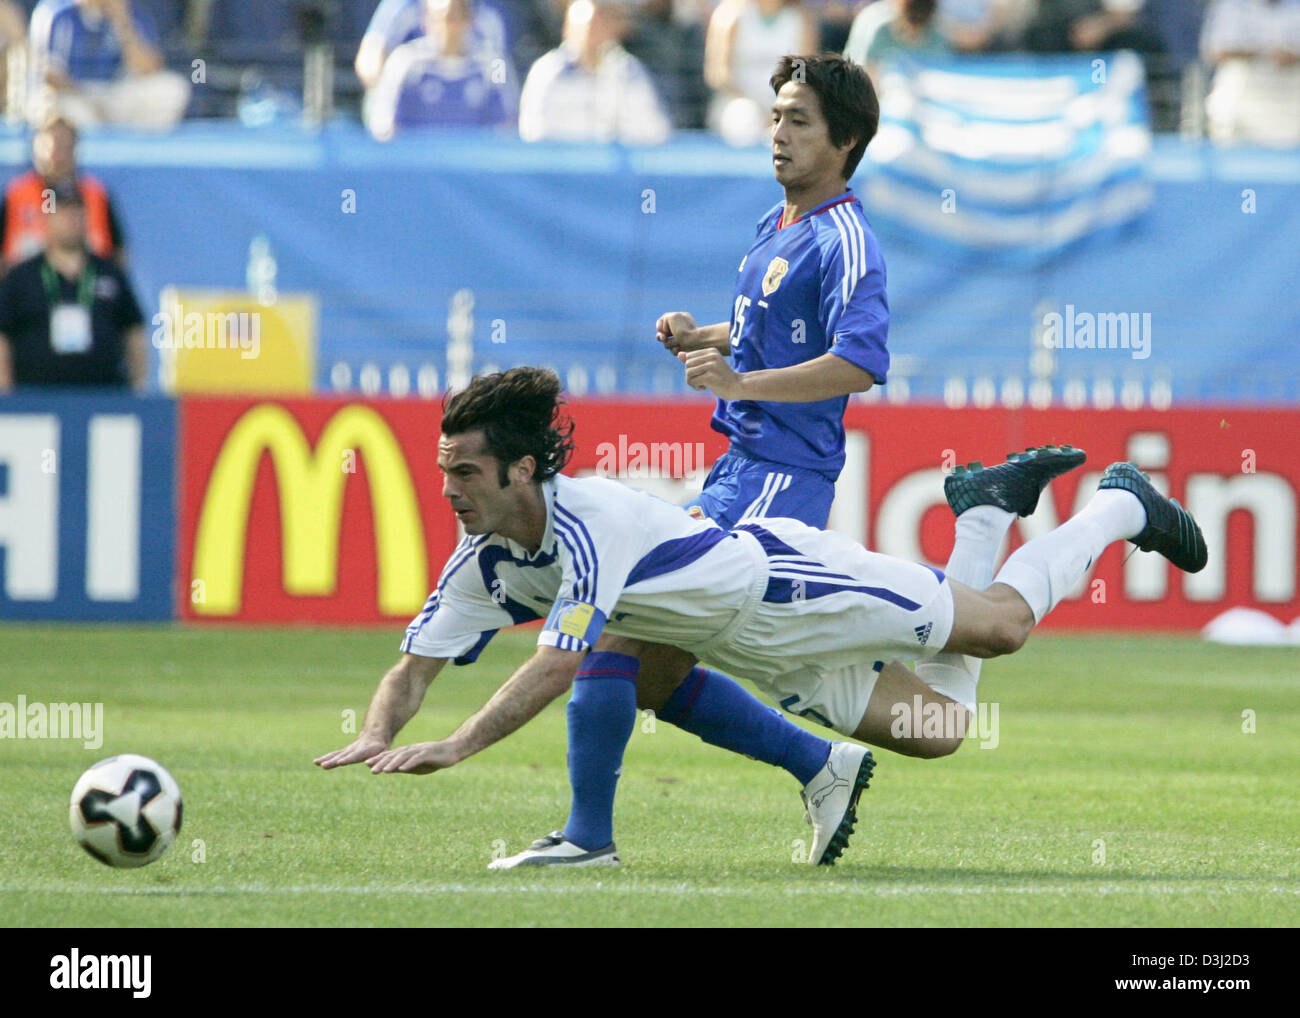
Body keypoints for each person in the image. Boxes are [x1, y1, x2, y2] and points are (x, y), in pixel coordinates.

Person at [316, 367, 1208, 869]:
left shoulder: (583, 519)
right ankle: (981, 510)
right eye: (442, 473)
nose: (447, 491)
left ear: (519, 471)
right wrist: (378, 728)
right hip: (756, 648)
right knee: (940, 728)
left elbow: (560, 661)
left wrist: (455, 746)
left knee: (1005, 628)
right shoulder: (484, 561)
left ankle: (1120, 506)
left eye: (464, 473)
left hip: (794, 585)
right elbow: (416, 663)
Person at [0, 184, 145, 390]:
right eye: (63, 212)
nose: (71, 219)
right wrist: (6, 393)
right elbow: (3, 334)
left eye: (77, 212)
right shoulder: (22, 277)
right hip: (35, 396)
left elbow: (133, 328)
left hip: (103, 394)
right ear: (48, 219)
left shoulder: (109, 273)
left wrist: (138, 386)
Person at [517, 0, 672, 144]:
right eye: (587, 25)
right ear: (568, 28)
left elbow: (655, 131)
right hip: (560, 168)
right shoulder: (547, 71)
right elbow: (533, 131)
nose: (592, 33)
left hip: (616, 170)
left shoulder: (629, 70)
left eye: (599, 24)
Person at [365, 0, 516, 140]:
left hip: (476, 160)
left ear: (470, 20)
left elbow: (508, 121)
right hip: (417, 161)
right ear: (426, 21)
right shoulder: (403, 62)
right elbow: (384, 123)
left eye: (457, 17)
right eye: (442, 17)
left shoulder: (496, 63)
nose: (450, 26)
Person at [27, 0, 191, 130]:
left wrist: (122, 21)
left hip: (115, 93)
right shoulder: (55, 12)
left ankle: (139, 153)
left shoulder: (132, 12)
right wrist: (88, 101)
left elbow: (148, 69)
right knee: (62, 109)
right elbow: (46, 74)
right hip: (73, 95)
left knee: (171, 89)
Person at [1, 114, 127, 268]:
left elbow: (118, 251)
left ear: (75, 147)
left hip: (83, 287)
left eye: (64, 145)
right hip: (26, 287)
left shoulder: (95, 195)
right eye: (49, 145)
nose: (56, 153)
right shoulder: (17, 195)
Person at [704, 0, 818, 144]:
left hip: (785, 104)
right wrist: (761, 112)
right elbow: (718, 75)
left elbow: (801, 74)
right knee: (743, 122)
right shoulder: (729, 15)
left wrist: (780, 109)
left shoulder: (800, 19)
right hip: (738, 103)